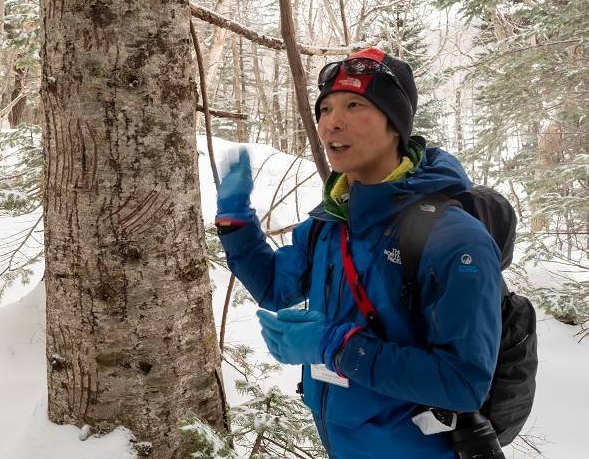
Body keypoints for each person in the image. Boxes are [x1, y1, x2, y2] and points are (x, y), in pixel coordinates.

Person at [215, 47, 502, 458]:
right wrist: (236, 219)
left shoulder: (453, 238)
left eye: (354, 105)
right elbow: (276, 288)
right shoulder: (330, 222)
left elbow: (463, 382)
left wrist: (333, 344)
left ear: (395, 124)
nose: (333, 121)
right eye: (325, 108)